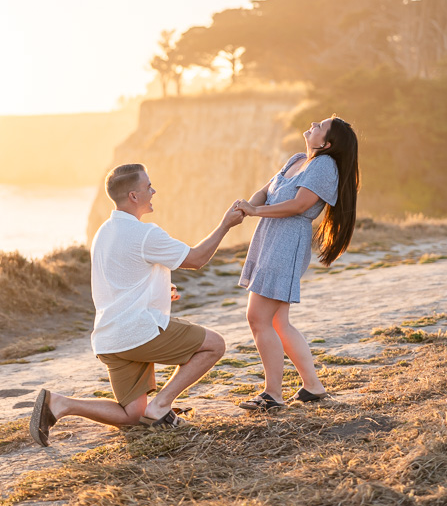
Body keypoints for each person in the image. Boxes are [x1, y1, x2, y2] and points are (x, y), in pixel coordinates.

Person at [30, 163, 243, 446]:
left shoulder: (104, 232)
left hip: (110, 340)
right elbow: (196, 259)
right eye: (148, 187)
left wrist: (158, 289)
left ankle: (59, 404)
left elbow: (121, 279)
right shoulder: (145, 233)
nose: (153, 191)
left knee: (132, 415)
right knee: (215, 344)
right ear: (133, 196)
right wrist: (225, 224)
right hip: (137, 333)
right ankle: (161, 406)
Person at [234, 115, 359, 410]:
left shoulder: (324, 166)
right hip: (269, 238)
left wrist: (255, 211)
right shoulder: (298, 159)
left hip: (287, 243)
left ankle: (273, 394)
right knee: (278, 321)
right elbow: (267, 190)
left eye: (321, 126)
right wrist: (248, 206)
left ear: (326, 143)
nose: (314, 124)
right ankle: (312, 386)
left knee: (258, 318)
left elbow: (300, 205)